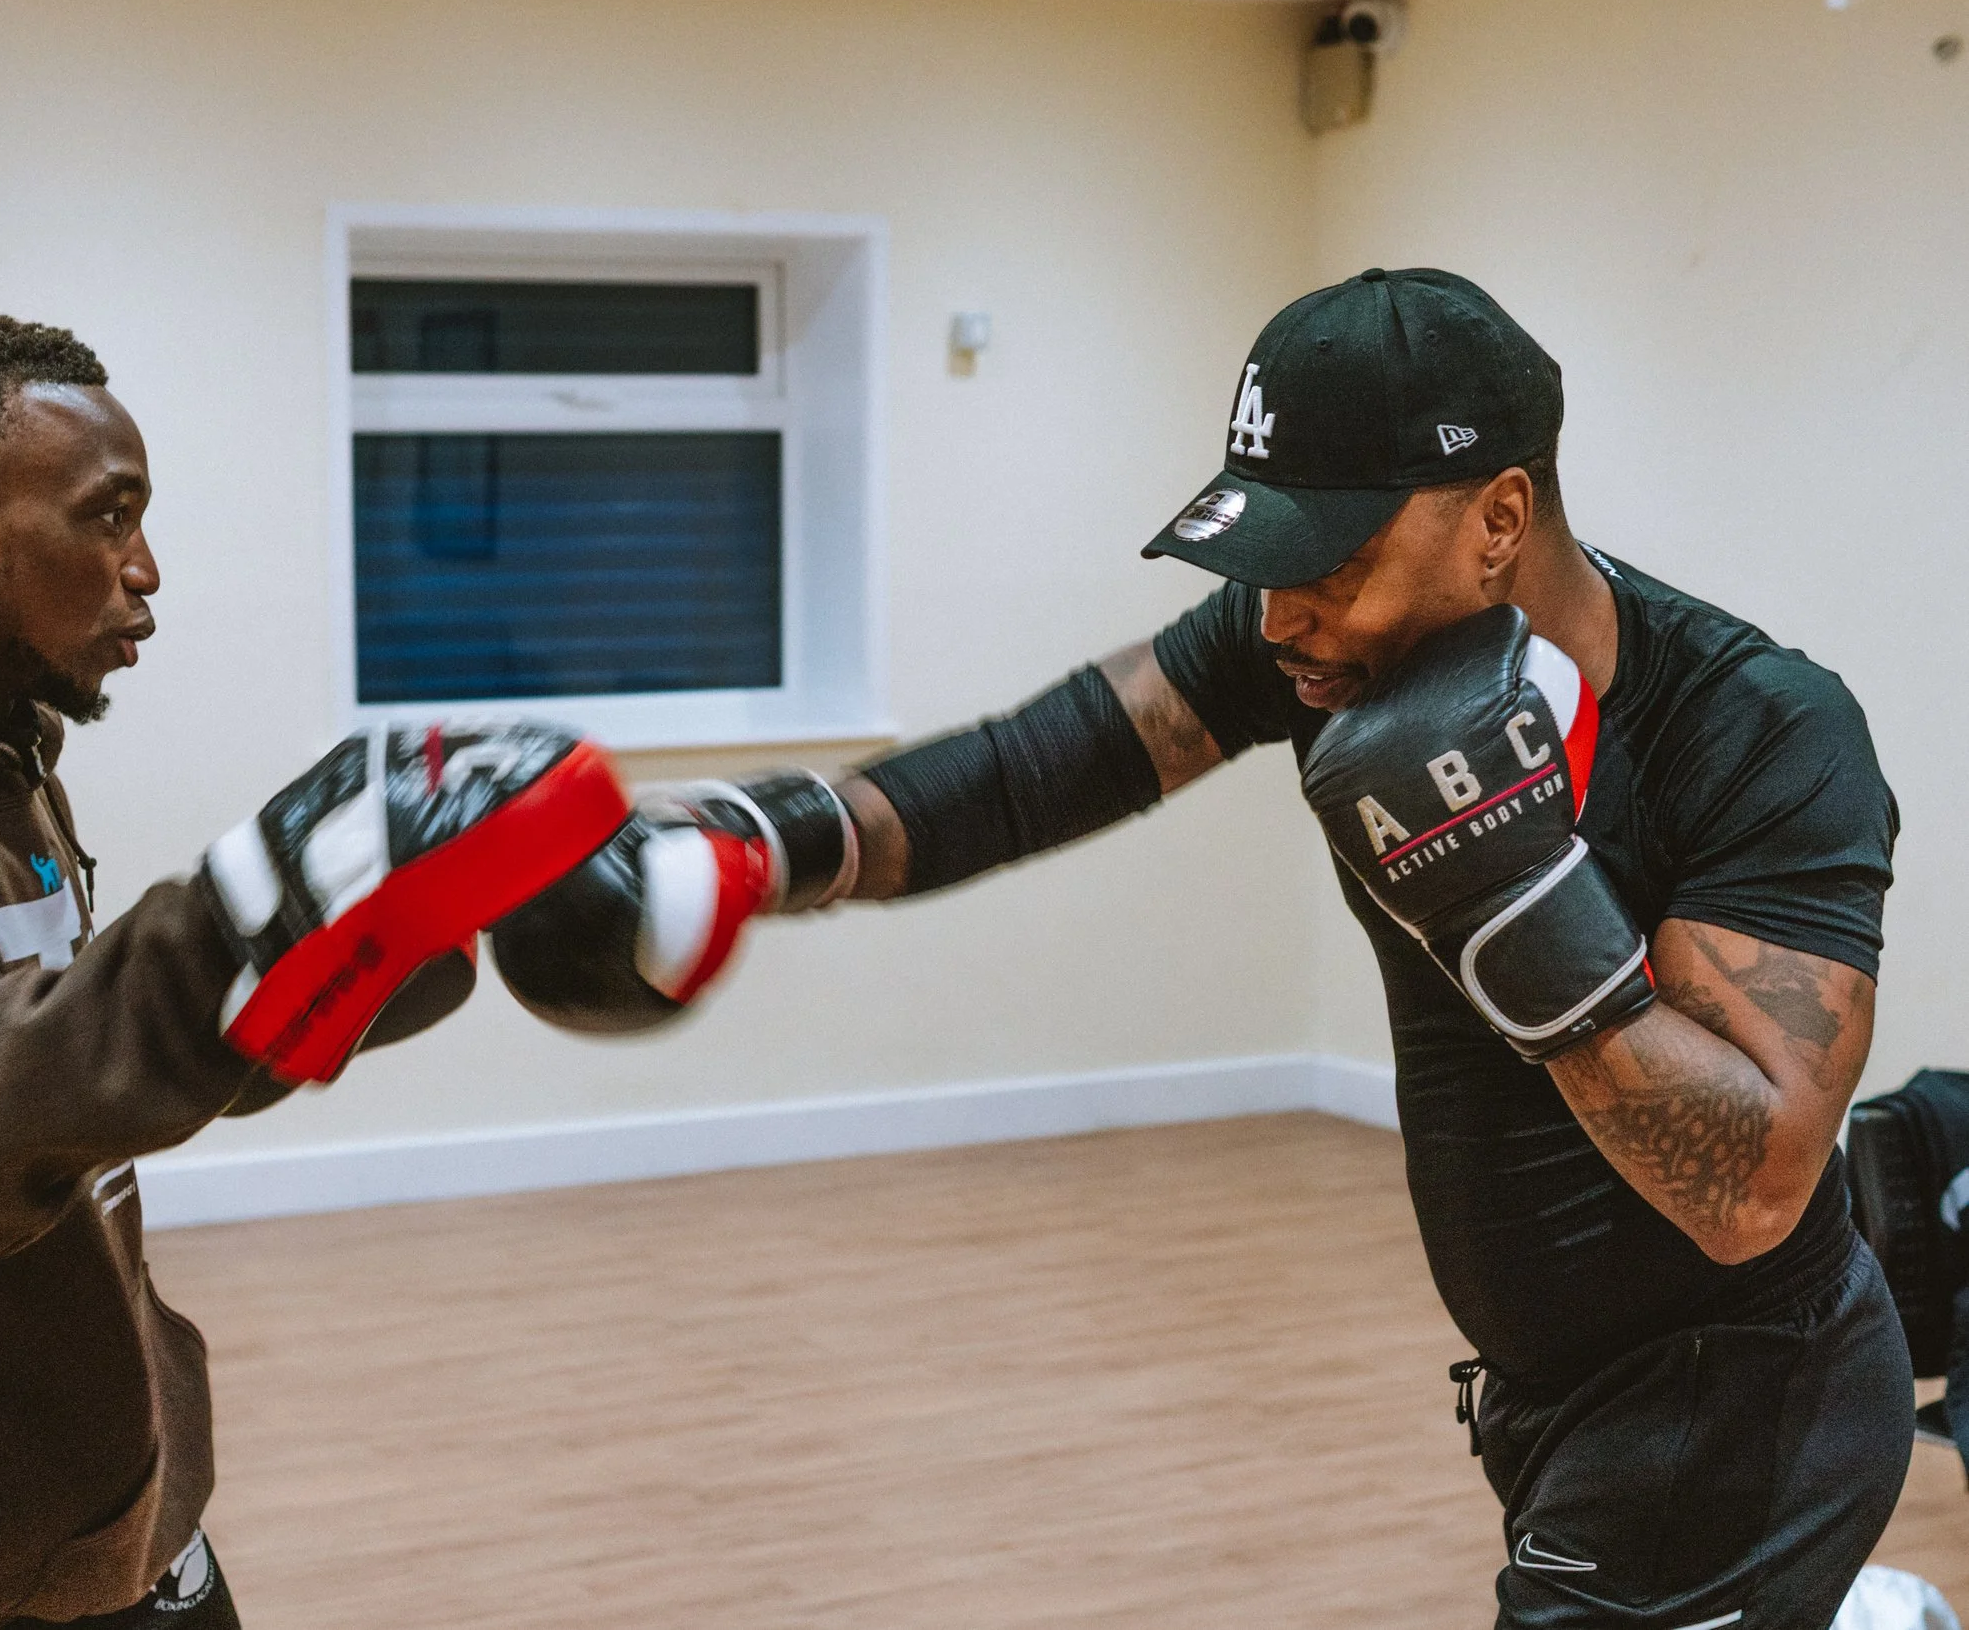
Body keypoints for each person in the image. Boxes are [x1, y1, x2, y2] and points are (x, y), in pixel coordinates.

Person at [492, 268, 1913, 1630]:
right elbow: (1032, 770)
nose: (1283, 616)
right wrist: (759, 843)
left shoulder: (1761, 730)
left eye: (1332, 563)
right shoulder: (1324, 645)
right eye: (1261, 564)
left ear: (1498, 516)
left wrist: (1519, 904)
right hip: (1548, 1386)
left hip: (1736, 1395)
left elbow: (1756, 1185)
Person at [0, 312, 624, 1629]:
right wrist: (246, 918)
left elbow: (62, 1065)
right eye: (109, 516)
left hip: (82, 1504)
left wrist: (402, 931)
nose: (145, 567)